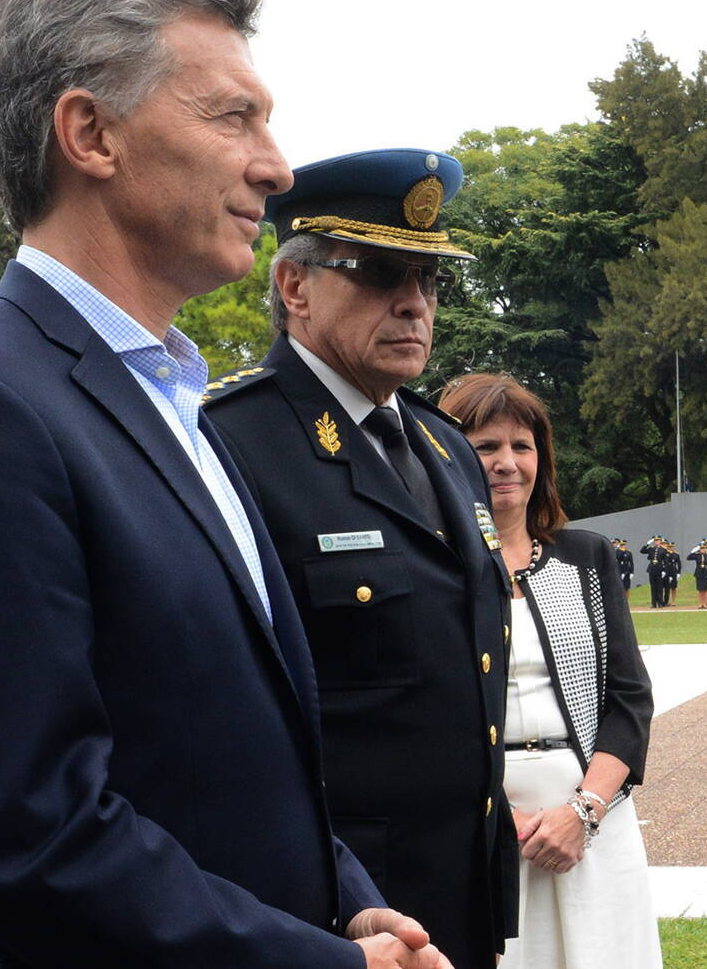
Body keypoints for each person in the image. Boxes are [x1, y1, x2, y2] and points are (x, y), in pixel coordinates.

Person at [0, 0, 445, 967]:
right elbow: (20, 834)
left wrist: (342, 899)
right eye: (231, 115)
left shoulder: (172, 400)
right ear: (90, 133)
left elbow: (216, 753)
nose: (276, 163)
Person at [202, 147, 516, 968]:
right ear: (294, 287)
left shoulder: (444, 447)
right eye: (379, 274)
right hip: (339, 907)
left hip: (464, 885)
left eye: (429, 281)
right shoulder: (230, 443)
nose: (414, 304)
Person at [437, 373, 661, 969]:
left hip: (590, 819)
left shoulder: (585, 558)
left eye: (521, 446)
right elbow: (421, 714)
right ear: (448, 453)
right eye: (486, 446)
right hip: (479, 823)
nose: (506, 463)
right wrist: (498, 818)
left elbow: (630, 701)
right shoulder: (430, 570)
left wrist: (583, 812)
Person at [642, 536, 671, 609]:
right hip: (652, 569)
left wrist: (664, 571)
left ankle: (660, 603)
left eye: (657, 540)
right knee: (653, 587)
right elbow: (642, 551)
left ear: (660, 541)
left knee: (659, 587)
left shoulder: (663, 550)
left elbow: (666, 562)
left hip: (659, 569)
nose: (656, 542)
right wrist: (647, 544)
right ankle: (653, 603)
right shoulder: (651, 549)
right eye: (655, 540)